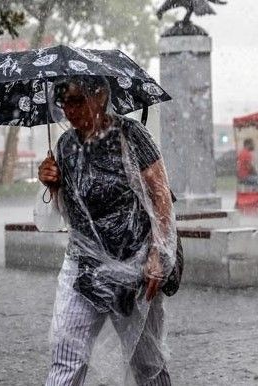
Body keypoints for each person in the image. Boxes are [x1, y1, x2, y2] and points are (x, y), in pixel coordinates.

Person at [38, 75, 177, 386]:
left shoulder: (131, 135)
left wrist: (159, 254)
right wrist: (51, 184)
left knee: (148, 364)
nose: (68, 110)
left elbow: (160, 194)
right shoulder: (65, 146)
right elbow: (66, 212)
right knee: (66, 357)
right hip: (83, 269)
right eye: (63, 102)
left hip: (133, 270)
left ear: (99, 96)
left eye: (76, 100)